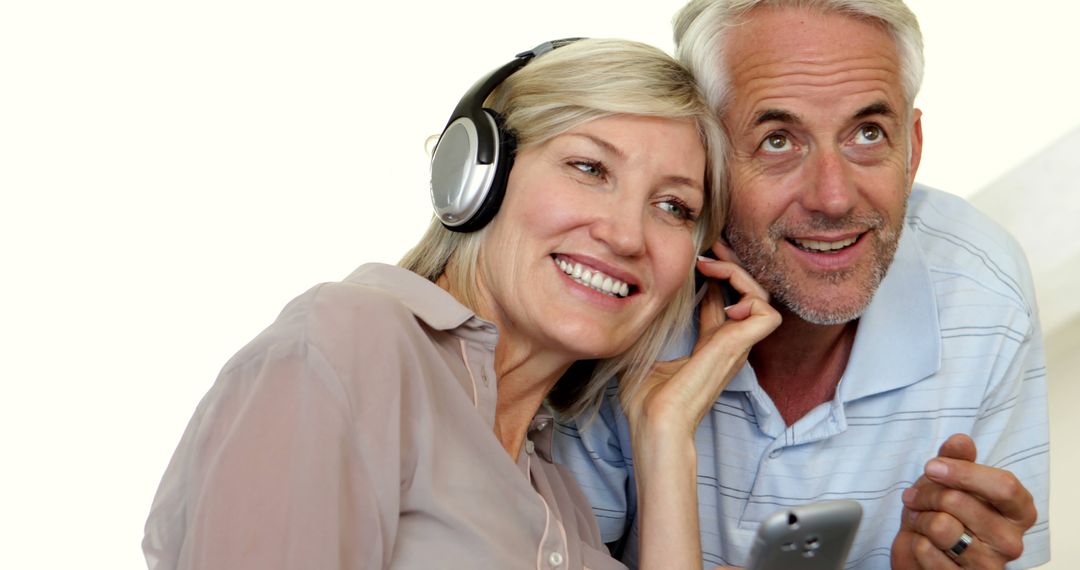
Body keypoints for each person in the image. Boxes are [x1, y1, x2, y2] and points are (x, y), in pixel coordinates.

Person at [141, 38, 781, 569]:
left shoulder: (557, 495)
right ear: (478, 176)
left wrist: (664, 436)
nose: (625, 235)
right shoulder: (350, 346)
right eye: (589, 169)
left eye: (673, 207)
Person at [553, 2, 1051, 569]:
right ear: (705, 157)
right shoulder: (618, 287)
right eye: (778, 141)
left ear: (911, 149)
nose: (833, 198)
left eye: (867, 133)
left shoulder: (985, 292)